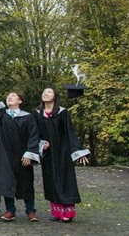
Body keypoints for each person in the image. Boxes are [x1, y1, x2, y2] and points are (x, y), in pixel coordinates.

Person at [0, 70, 41, 222]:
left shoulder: (28, 117)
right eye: (8, 96)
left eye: (13, 96)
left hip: (22, 154)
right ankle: (10, 211)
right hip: (5, 154)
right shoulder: (2, 115)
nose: (9, 98)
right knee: (6, 182)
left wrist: (29, 154)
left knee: (26, 183)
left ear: (20, 101)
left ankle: (30, 210)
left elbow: (34, 136)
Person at [35, 87, 90, 222]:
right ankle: (57, 211)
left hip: (63, 151)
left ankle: (68, 212)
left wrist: (77, 152)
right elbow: (34, 132)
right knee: (51, 180)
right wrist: (41, 143)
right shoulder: (37, 113)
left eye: (49, 92)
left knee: (65, 179)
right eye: (44, 92)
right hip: (48, 152)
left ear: (55, 96)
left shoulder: (62, 112)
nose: (45, 93)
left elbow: (70, 132)